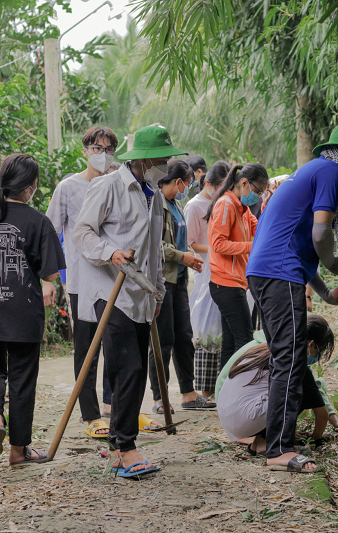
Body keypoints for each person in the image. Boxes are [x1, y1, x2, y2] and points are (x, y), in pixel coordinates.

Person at [246, 124, 338, 471]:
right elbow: (320, 236)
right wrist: (336, 262)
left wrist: (324, 293)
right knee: (289, 359)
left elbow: (299, 243)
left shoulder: (311, 172)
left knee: (283, 359)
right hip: (279, 273)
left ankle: (270, 443)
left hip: (267, 271)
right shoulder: (331, 170)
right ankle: (279, 450)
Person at [73, 125, 179, 478]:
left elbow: (152, 251)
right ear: (145, 159)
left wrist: (159, 290)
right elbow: (82, 232)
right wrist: (112, 252)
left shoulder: (155, 195)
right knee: (130, 368)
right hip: (110, 292)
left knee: (127, 372)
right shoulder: (108, 186)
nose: (166, 164)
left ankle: (119, 449)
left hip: (141, 294)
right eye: (162, 159)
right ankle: (127, 448)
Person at [0, 154, 65, 465]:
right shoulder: (38, 221)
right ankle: (18, 451)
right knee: (22, 379)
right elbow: (50, 274)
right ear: (31, 187)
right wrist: (48, 284)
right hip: (24, 313)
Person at [45, 126, 118, 439]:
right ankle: (90, 414)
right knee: (86, 347)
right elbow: (51, 232)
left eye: (107, 149)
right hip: (80, 280)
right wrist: (49, 277)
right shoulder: (68, 187)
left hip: (115, 279)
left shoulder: (117, 185)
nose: (102, 154)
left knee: (117, 343)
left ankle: (113, 406)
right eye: (96, 148)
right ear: (86, 151)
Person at [215, 315, 335, 462]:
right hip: (245, 419)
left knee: (277, 390)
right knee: (293, 392)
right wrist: (315, 438)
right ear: (311, 344)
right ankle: (267, 445)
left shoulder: (272, 346)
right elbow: (321, 413)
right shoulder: (294, 360)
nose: (318, 356)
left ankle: (257, 443)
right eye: (320, 350)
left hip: (231, 418)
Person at [148, 159, 215, 413]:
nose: (188, 187)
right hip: (162, 280)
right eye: (187, 182)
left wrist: (189, 257)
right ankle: (159, 398)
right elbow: (154, 245)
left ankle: (188, 393)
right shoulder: (156, 204)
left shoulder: (176, 205)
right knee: (163, 340)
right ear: (177, 181)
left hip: (180, 279)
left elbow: (180, 240)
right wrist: (181, 256)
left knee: (184, 337)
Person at [205, 163, 269, 370]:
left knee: (232, 343)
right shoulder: (226, 205)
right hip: (226, 284)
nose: (257, 196)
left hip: (234, 283)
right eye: (257, 191)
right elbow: (218, 244)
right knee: (245, 342)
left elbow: (259, 230)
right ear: (244, 183)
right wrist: (252, 246)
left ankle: (224, 394)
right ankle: (240, 392)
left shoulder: (243, 208)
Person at [186, 161, 231, 398]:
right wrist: (217, 249)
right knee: (207, 332)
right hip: (205, 272)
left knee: (225, 331)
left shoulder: (223, 203)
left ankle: (222, 388)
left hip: (225, 270)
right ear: (208, 183)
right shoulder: (194, 206)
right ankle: (205, 391)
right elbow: (191, 244)